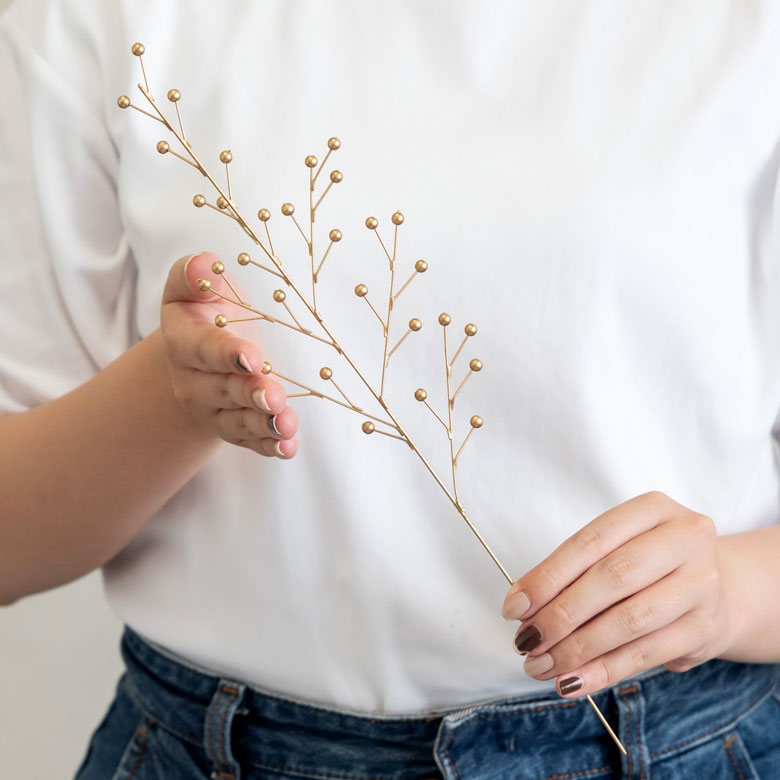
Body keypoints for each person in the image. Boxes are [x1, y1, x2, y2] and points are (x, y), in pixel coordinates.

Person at [1, 0, 779, 777]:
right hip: (210, 754)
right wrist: (171, 396)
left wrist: (729, 593)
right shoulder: (103, 18)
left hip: (680, 745)